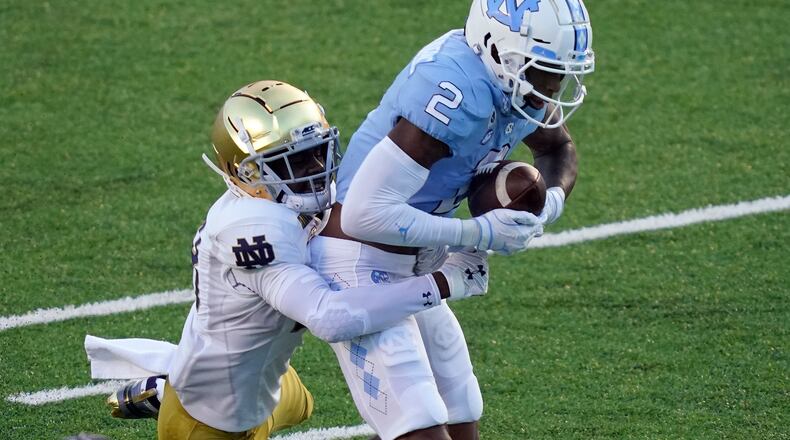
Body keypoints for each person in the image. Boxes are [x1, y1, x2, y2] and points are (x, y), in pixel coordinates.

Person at [89, 80, 491, 440]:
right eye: (294, 163)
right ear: (246, 172)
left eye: (317, 154)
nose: (316, 172)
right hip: (210, 422)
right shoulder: (252, 227)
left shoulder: (278, 201)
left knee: (302, 403)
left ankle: (168, 383)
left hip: (274, 384)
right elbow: (330, 317)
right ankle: (171, 391)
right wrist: (443, 282)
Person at [309, 0, 596, 439]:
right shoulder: (455, 90)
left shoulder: (513, 82)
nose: (553, 87)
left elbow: (558, 148)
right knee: (420, 425)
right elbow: (365, 215)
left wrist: (546, 207)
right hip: (358, 260)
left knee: (462, 413)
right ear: (500, 51)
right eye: (544, 70)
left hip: (413, 260)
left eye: (560, 72)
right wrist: (477, 232)